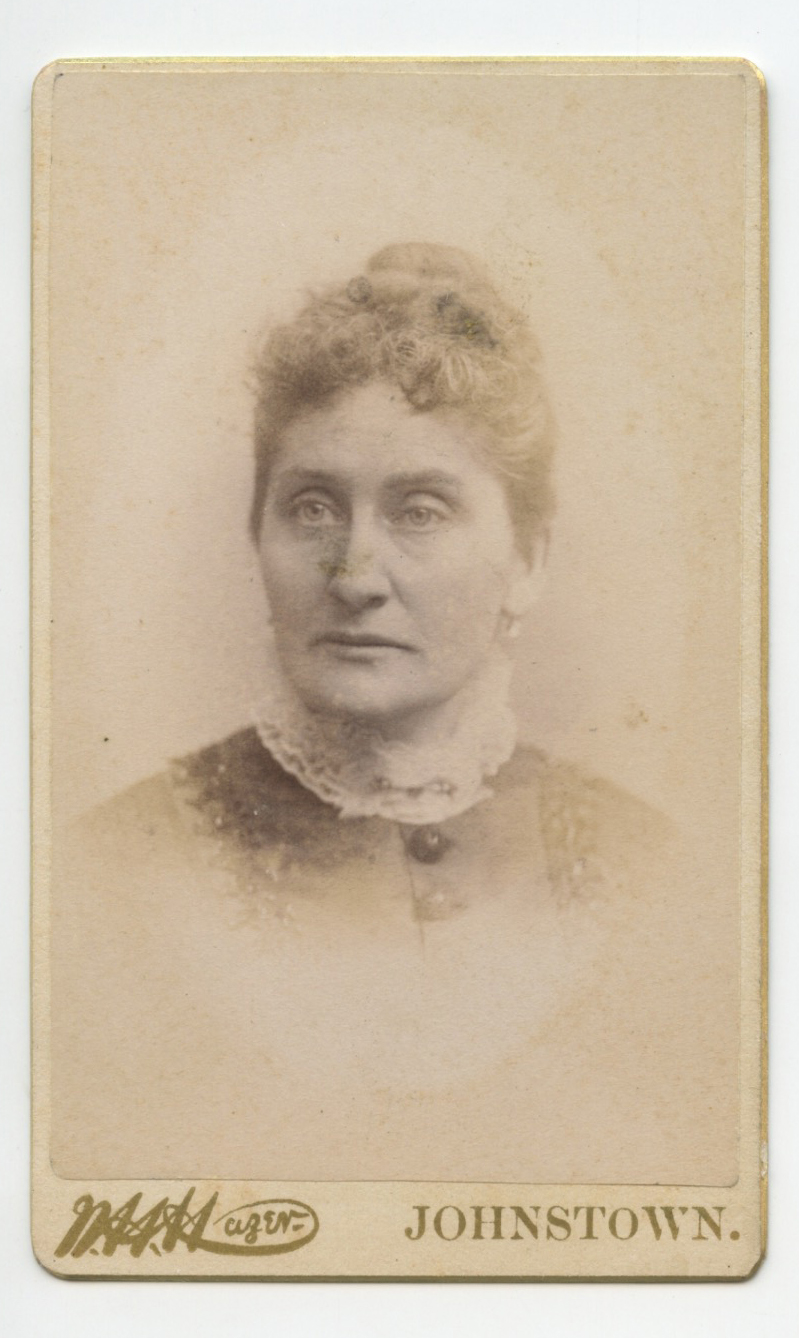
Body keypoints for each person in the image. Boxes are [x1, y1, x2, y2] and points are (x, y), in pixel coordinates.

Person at [51, 244, 737, 1186]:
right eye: (311, 508)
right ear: (255, 533)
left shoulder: (652, 874)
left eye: (419, 511)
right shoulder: (106, 875)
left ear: (528, 559)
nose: (354, 576)